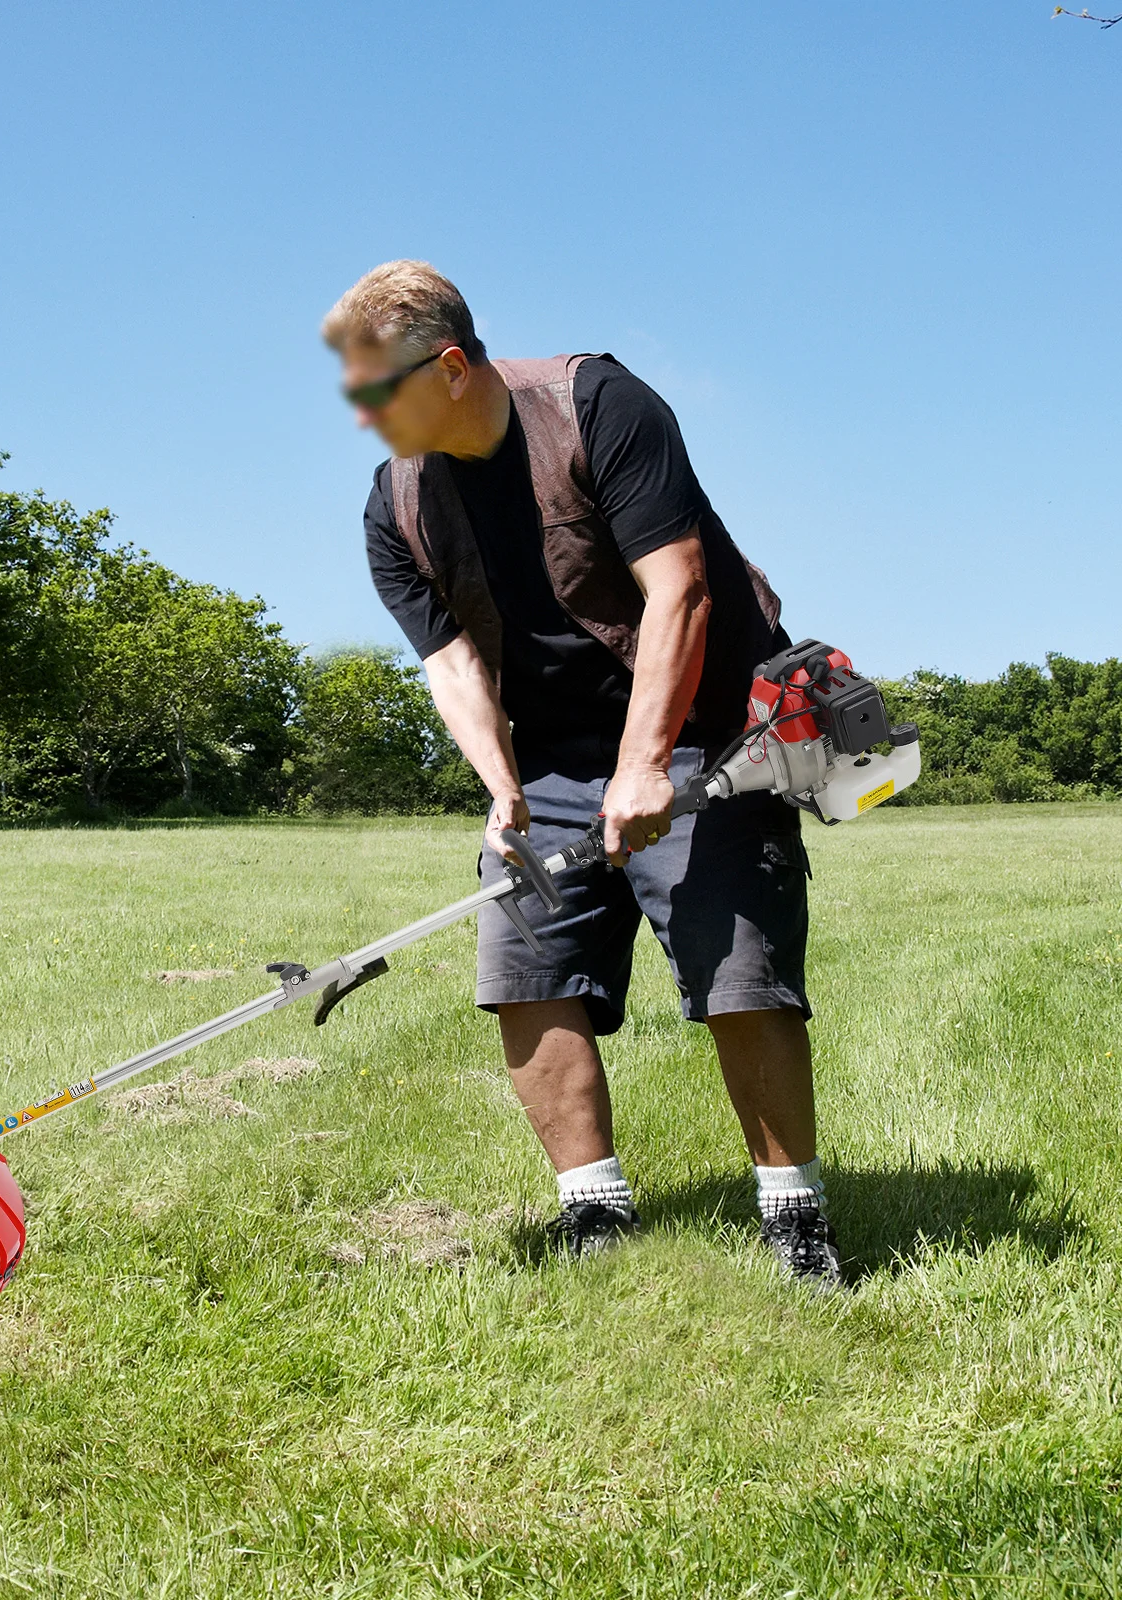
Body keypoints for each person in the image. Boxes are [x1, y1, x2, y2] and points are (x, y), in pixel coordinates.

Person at [322, 260, 841, 1287]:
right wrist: (501, 783)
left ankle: (795, 1219)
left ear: (453, 366)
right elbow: (451, 662)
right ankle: (594, 1206)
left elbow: (678, 590)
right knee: (526, 970)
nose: (360, 416)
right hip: (553, 747)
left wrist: (646, 765)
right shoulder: (397, 502)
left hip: (704, 724)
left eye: (375, 391)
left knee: (740, 971)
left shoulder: (597, 405)